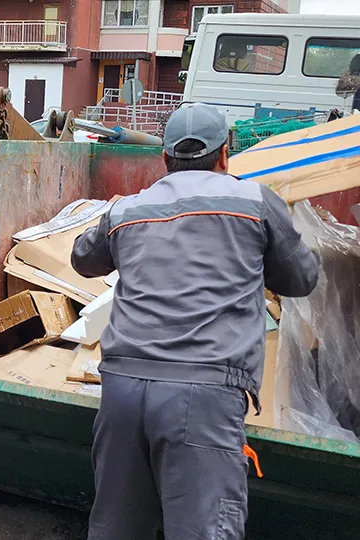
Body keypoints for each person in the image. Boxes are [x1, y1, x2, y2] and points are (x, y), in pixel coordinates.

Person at [71, 103, 319, 540]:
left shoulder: (128, 209)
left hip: (122, 392)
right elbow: (301, 279)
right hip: (203, 397)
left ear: (164, 160)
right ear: (226, 155)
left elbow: (82, 259)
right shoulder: (255, 201)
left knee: (116, 528)